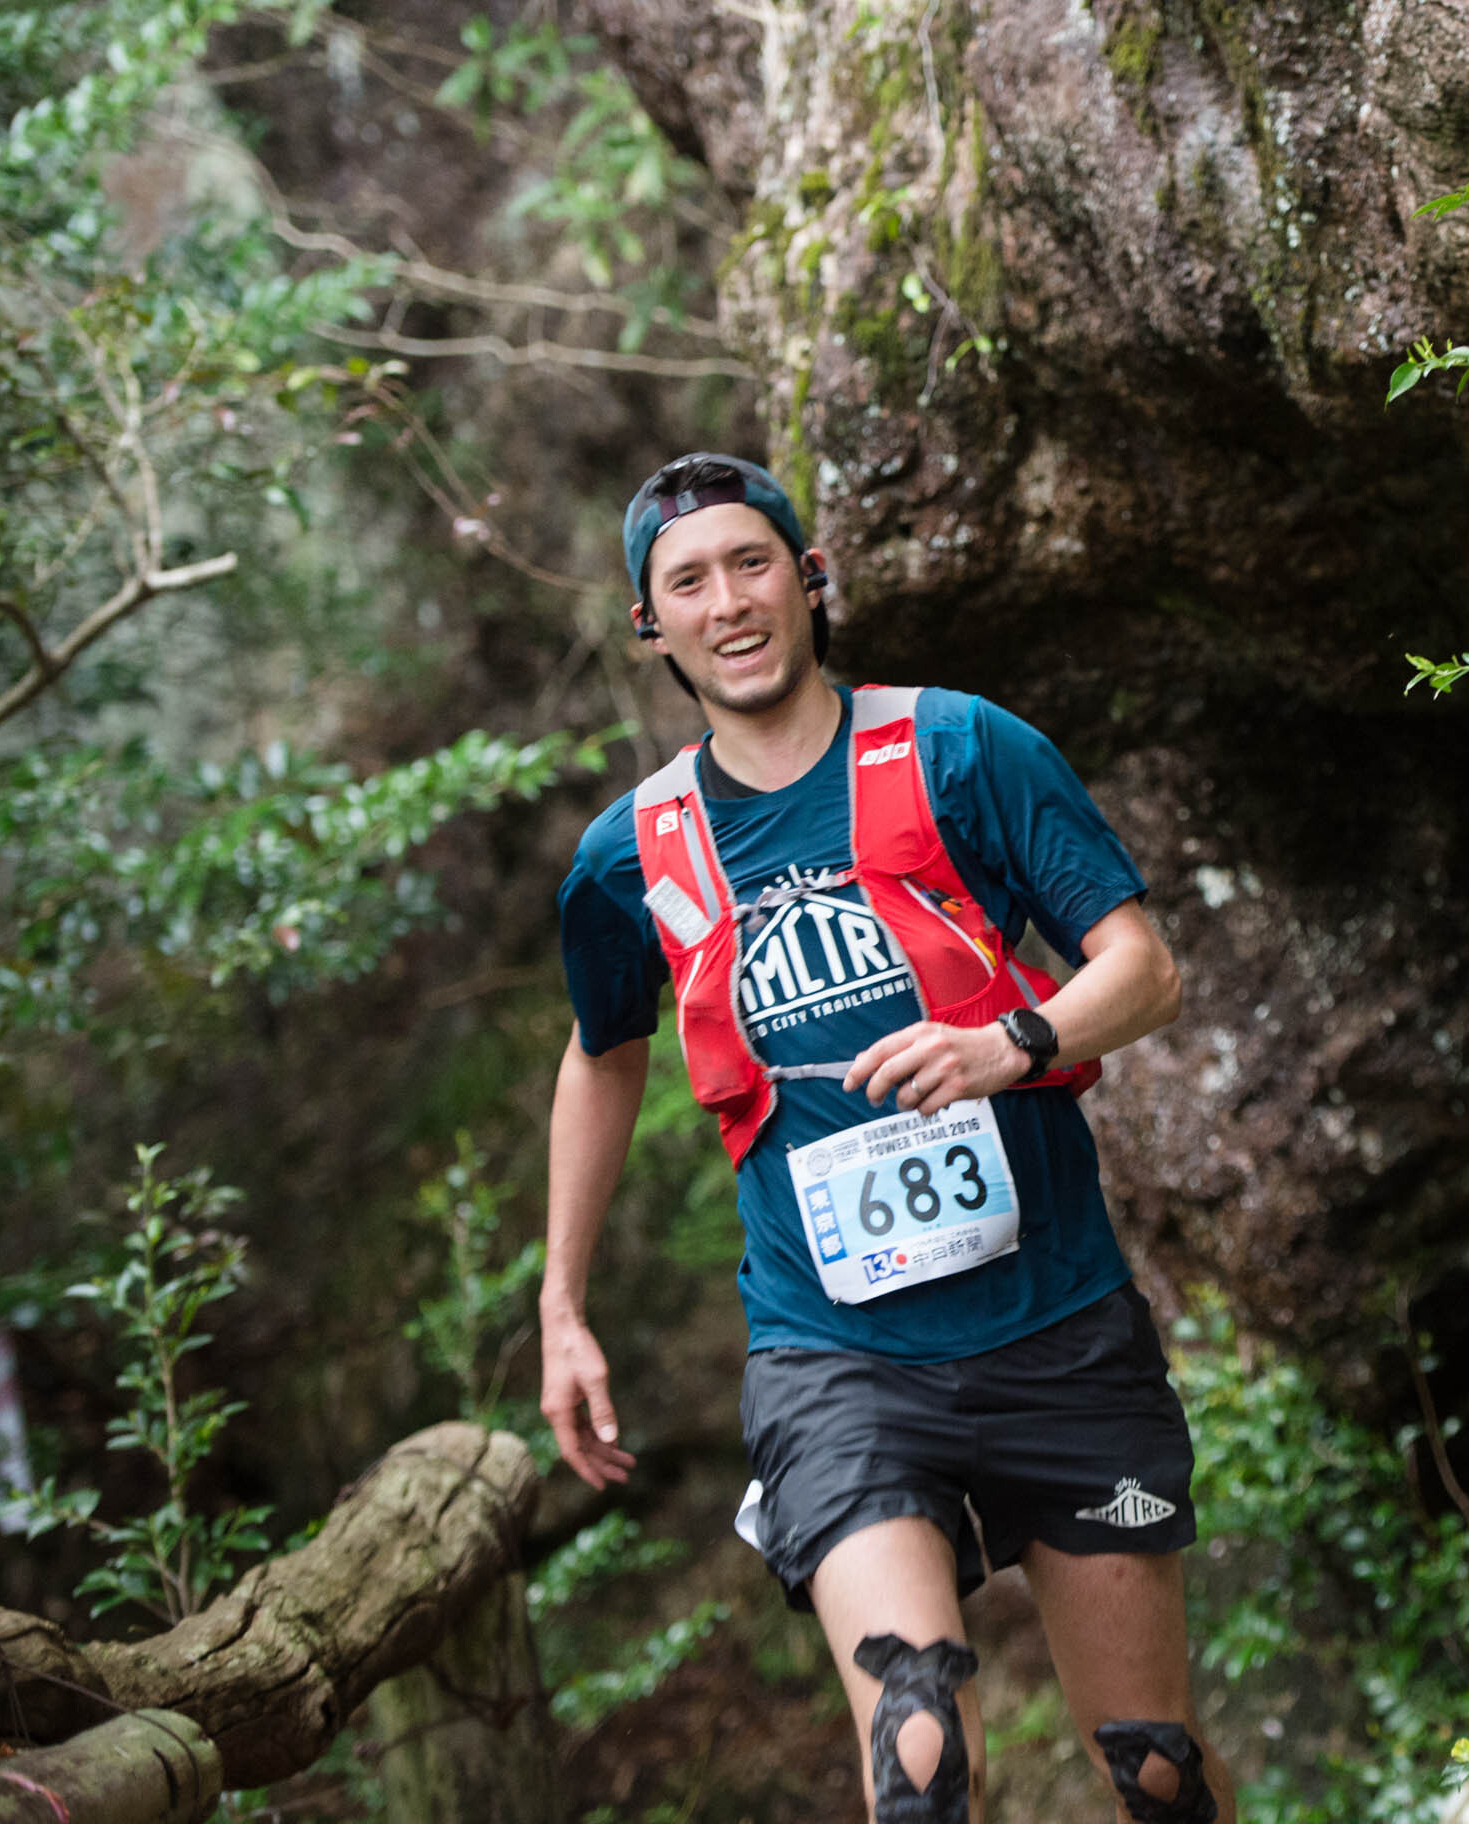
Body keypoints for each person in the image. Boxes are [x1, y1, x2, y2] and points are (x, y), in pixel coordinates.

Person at [539, 452, 1233, 1824]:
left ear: (809, 581)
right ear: (648, 623)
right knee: (921, 1756)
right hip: (837, 1360)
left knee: (1155, 1771)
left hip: (1060, 1335)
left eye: (752, 565)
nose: (727, 602)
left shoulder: (964, 747)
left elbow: (1143, 970)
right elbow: (601, 1054)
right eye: (687, 581)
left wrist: (1010, 1044)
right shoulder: (632, 855)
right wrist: (562, 1304)